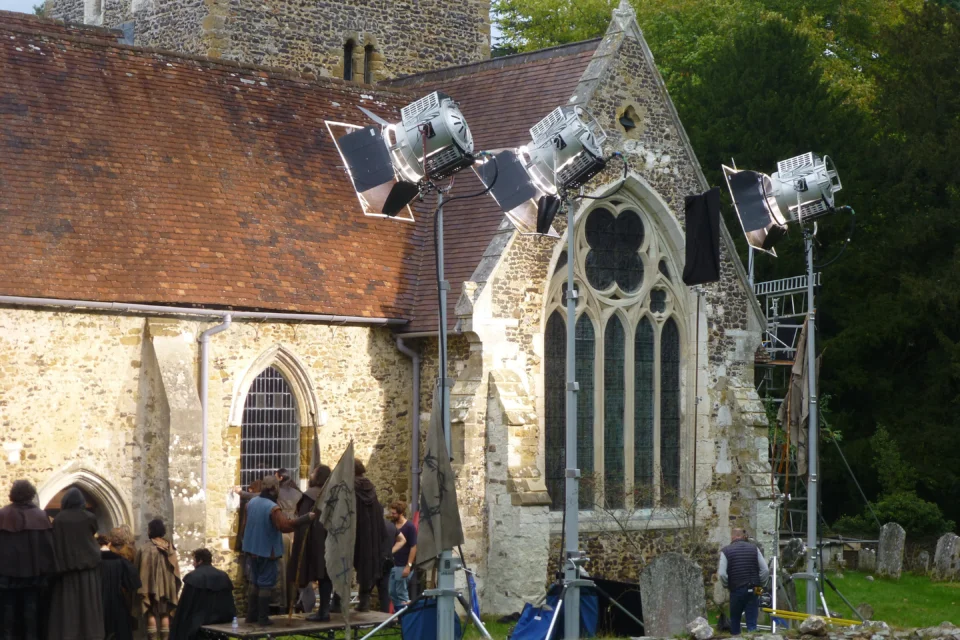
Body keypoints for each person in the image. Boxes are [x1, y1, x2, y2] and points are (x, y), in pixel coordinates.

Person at [241, 474, 315, 626]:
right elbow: (285, 526)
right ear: (274, 489)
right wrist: (305, 518)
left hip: (251, 549)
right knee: (265, 584)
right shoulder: (273, 508)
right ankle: (262, 618)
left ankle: (251, 616)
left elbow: (245, 526)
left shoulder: (252, 503)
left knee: (255, 583)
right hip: (267, 551)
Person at [0, 479, 57, 640]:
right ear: (31, 494)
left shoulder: (2, 515)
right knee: (31, 617)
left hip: (6, 577)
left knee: (7, 618)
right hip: (32, 577)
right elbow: (47, 549)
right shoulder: (40, 516)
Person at [47, 487, 105, 640]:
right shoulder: (89, 517)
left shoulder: (59, 519)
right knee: (88, 608)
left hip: (67, 569)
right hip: (88, 570)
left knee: (68, 610)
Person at [288, 465, 333, 621]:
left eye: (313, 473)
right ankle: (324, 610)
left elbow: (303, 522)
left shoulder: (310, 496)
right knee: (325, 576)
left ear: (319, 476)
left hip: (315, 543)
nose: (310, 474)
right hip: (330, 541)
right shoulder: (333, 495)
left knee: (323, 576)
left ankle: (323, 611)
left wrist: (300, 544)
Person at [168, 549, 236, 640]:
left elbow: (185, 606)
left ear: (200, 561)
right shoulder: (223, 576)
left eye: (194, 561)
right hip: (222, 619)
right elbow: (229, 604)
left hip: (198, 623)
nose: (193, 563)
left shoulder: (193, 577)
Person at [136, 519, 182, 640]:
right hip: (167, 587)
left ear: (150, 530)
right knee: (165, 613)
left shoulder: (144, 548)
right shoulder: (170, 548)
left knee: (150, 611)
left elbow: (138, 569)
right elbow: (175, 570)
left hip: (149, 585)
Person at [718, 528, 769, 635]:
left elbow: (722, 574)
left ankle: (736, 637)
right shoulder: (754, 549)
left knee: (735, 620)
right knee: (752, 622)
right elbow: (765, 570)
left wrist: (727, 585)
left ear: (732, 537)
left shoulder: (726, 551)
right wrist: (761, 584)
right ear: (743, 536)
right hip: (755, 588)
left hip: (736, 589)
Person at [352, 460, 386, 613]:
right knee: (366, 564)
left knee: (343, 563)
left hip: (354, 530)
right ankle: (364, 601)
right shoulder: (371, 487)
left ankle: (338, 601)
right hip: (370, 532)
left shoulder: (350, 486)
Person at [99, 531, 140, 640]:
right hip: (117, 600)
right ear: (109, 544)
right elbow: (133, 582)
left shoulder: (92, 561)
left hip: (97, 602)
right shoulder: (120, 560)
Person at [387, 500, 417, 610]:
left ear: (401, 513)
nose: (391, 515)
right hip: (393, 564)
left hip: (403, 564)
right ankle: (398, 616)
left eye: (394, 513)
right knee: (392, 592)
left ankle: (406, 617)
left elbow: (413, 547)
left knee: (401, 593)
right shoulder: (392, 525)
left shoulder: (409, 527)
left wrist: (408, 566)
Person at [376, 508, 399, 613]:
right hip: (388, 561)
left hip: (375, 561)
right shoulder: (391, 525)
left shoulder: (373, 525)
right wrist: (390, 551)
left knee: (365, 591)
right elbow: (402, 540)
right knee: (385, 592)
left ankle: (363, 615)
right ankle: (384, 618)